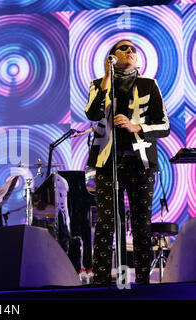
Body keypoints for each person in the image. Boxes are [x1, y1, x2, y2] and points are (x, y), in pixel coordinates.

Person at [85, 40, 170, 284]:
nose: (130, 51)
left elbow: (164, 125)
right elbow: (91, 113)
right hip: (107, 163)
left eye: (133, 49)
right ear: (112, 56)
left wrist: (137, 127)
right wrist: (106, 79)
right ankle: (101, 281)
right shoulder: (99, 84)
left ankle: (143, 281)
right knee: (105, 224)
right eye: (123, 48)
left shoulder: (148, 84)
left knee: (141, 224)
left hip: (140, 163)